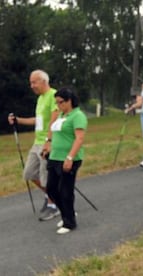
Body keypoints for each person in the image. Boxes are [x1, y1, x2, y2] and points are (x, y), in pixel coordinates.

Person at [8, 69, 60, 221]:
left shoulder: (53, 95)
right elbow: (38, 121)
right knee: (29, 173)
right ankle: (53, 195)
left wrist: (49, 142)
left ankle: (53, 206)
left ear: (44, 81)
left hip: (47, 142)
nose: (31, 86)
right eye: (30, 82)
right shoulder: (40, 99)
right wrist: (19, 120)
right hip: (37, 142)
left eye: (34, 82)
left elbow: (54, 120)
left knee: (46, 177)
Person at [44, 87, 87, 234]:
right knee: (51, 188)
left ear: (69, 101)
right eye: (57, 103)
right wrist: (48, 145)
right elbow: (54, 133)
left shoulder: (78, 116)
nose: (59, 105)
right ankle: (66, 213)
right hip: (55, 157)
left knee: (65, 190)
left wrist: (70, 157)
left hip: (69, 158)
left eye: (61, 102)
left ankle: (70, 223)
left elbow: (79, 138)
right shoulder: (61, 115)